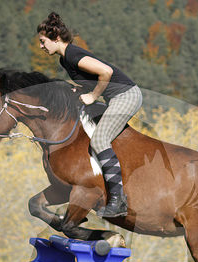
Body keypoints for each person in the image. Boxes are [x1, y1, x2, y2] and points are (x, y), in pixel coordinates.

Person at [37, 12, 142, 218]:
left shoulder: (73, 55)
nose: (41, 46)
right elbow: (92, 78)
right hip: (116, 97)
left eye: (43, 41)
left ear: (56, 38)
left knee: (99, 140)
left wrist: (93, 96)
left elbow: (106, 72)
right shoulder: (64, 60)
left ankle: (118, 200)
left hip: (127, 96)